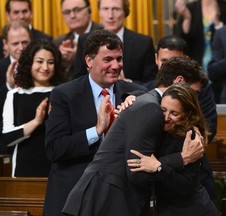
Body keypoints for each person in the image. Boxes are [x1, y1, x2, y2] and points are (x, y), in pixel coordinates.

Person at [62, 56, 205, 216]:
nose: (194, 100)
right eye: (194, 92)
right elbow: (137, 170)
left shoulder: (146, 102)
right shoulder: (151, 108)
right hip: (105, 200)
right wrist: (182, 158)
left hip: (105, 198)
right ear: (179, 81)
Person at [43, 29, 148, 216]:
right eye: (108, 59)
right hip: (75, 198)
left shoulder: (136, 94)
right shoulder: (64, 95)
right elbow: (54, 148)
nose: (116, 66)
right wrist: (96, 130)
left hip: (121, 198)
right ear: (89, 61)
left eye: (119, 59)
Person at [143, 34, 217, 203]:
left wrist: (189, 148)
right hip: (159, 187)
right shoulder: (144, 94)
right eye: (165, 61)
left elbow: (207, 129)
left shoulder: (198, 89)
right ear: (156, 59)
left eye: (175, 61)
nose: (169, 66)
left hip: (192, 180)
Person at [127, 83, 219, 215]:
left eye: (174, 113)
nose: (166, 117)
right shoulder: (159, 128)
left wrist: (158, 168)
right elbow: (146, 93)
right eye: (163, 110)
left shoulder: (190, 137)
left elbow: (186, 186)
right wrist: (131, 97)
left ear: (187, 115)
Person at [2, 39, 66, 177]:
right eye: (39, 61)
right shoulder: (15, 95)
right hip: (24, 166)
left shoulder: (63, 93)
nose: (45, 67)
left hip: (57, 166)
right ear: (29, 63)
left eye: (50, 62)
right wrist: (36, 121)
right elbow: (7, 138)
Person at [73, 0, 157, 84]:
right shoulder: (85, 40)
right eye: (105, 9)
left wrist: (127, 82)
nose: (110, 16)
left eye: (116, 9)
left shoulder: (143, 43)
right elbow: (77, 79)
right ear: (99, 12)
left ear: (125, 12)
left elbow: (151, 83)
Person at [0, 20, 32, 156]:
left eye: (25, 42)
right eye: (15, 43)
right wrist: (8, 86)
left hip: (35, 139)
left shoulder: (42, 67)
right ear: (5, 45)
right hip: (3, 144)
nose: (21, 48)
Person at [53, 0, 102, 80]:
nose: (72, 16)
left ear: (89, 10)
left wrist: (78, 58)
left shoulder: (104, 34)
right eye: (67, 12)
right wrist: (66, 62)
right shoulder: (58, 42)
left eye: (77, 10)